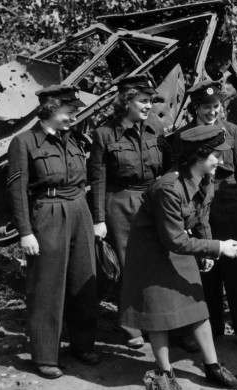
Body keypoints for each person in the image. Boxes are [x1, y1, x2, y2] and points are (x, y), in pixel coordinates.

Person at [120, 125, 237, 390]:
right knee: (159, 313)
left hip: (179, 244)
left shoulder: (205, 179)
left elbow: (201, 219)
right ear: (198, 157)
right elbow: (173, 240)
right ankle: (166, 374)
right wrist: (219, 247)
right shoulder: (168, 188)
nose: (220, 160)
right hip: (152, 253)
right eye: (215, 155)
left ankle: (213, 366)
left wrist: (209, 250)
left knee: (196, 303)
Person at [6, 85, 99, 379]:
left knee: (83, 280)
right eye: (68, 112)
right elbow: (17, 190)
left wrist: (94, 217)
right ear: (49, 110)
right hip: (47, 212)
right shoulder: (25, 142)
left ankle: (82, 345)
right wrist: (25, 232)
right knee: (47, 286)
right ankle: (45, 355)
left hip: (78, 209)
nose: (73, 117)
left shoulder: (73, 139)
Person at [89, 74, 170, 349]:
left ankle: (157, 319)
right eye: (143, 101)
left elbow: (167, 169)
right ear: (126, 101)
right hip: (120, 203)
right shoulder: (104, 134)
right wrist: (99, 219)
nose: (149, 106)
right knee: (128, 264)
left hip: (152, 199)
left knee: (157, 261)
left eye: (150, 101)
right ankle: (130, 324)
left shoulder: (155, 127)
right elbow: (98, 179)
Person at [173, 80, 237, 353]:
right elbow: (180, 179)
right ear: (196, 107)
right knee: (206, 272)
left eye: (216, 106)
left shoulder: (231, 130)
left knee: (236, 274)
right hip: (198, 212)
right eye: (206, 107)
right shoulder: (184, 135)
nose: (211, 112)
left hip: (229, 209)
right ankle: (214, 329)